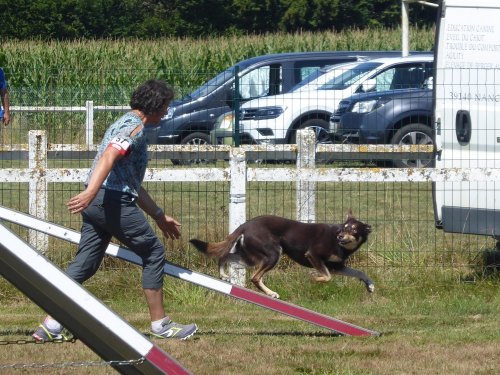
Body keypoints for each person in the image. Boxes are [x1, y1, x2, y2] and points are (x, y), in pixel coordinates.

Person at [33, 79, 197, 341]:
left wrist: (158, 215)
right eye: (165, 106)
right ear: (154, 105)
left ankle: (50, 325)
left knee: (85, 264)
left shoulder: (124, 123)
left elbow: (130, 181)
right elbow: (110, 155)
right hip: (110, 200)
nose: (167, 111)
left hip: (101, 200)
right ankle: (161, 325)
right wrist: (90, 192)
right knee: (153, 252)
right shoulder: (133, 128)